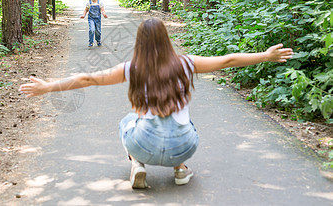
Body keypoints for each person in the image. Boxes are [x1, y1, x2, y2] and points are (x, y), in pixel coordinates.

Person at [19, 18, 293, 189]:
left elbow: (89, 78)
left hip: (144, 144)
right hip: (184, 147)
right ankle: (180, 169)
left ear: (139, 43)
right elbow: (228, 60)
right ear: (166, 40)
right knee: (187, 122)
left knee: (128, 121)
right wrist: (264, 56)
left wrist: (48, 87)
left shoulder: (131, 68)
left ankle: (137, 163)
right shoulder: (186, 63)